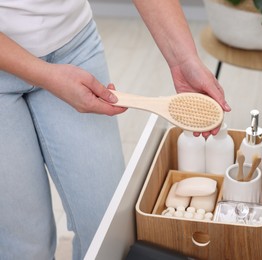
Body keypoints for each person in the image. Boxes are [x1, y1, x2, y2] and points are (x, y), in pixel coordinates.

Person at [0, 0, 231, 259]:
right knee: (26, 247)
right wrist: (46, 75)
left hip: (74, 45)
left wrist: (183, 59)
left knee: (107, 227)